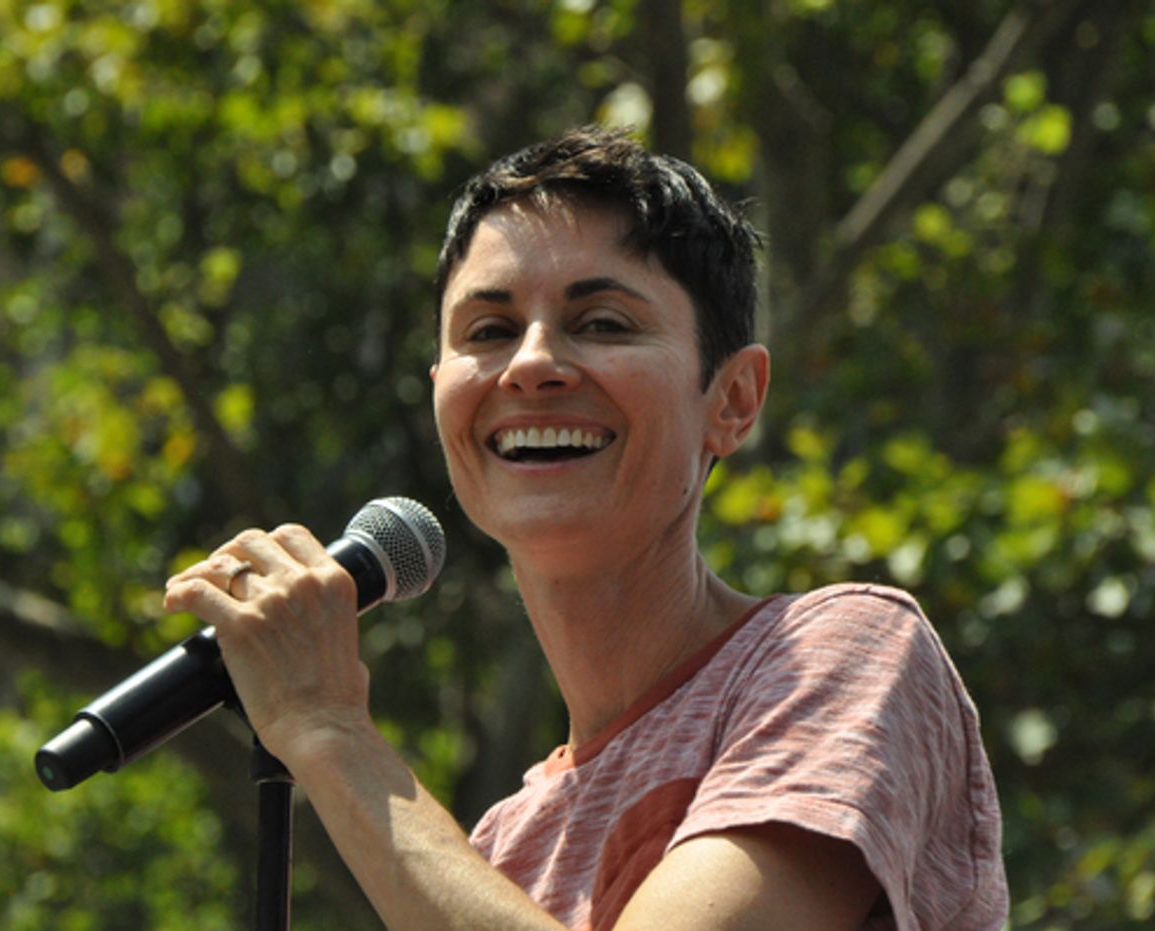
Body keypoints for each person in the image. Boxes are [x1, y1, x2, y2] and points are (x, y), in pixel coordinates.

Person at [164, 125, 1008, 930]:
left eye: (603, 323)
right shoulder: (501, 848)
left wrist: (328, 727)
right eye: (489, 331)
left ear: (733, 399)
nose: (531, 364)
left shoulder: (840, 655)